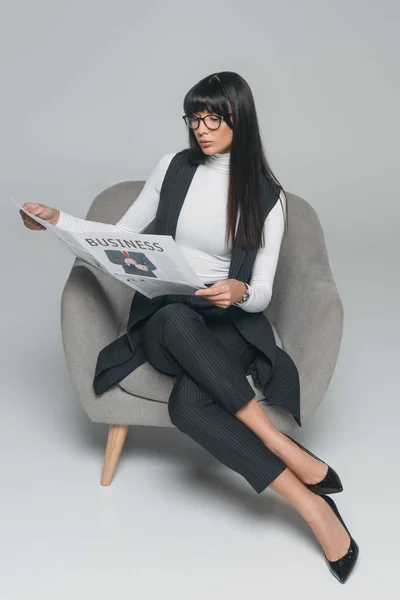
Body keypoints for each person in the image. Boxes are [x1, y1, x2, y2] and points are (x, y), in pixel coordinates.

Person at [19, 71, 358, 583]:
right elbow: (117, 235)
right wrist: (57, 221)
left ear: (238, 119)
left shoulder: (268, 196)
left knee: (186, 406)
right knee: (177, 315)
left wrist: (241, 292)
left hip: (227, 325)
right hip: (164, 318)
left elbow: (262, 287)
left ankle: (312, 507)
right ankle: (281, 447)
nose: (200, 129)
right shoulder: (173, 168)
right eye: (193, 118)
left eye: (212, 118)